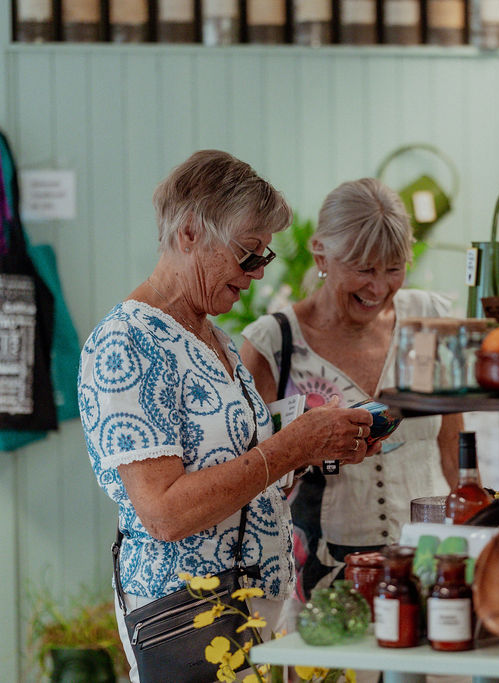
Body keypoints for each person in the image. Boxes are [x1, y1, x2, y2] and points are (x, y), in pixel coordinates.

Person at [78, 151, 380, 682]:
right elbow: (164, 513)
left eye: (265, 254)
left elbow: (241, 471)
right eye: (247, 254)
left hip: (247, 605)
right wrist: (291, 447)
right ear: (190, 232)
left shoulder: (214, 339)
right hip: (189, 616)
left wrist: (320, 445)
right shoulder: (126, 342)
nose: (260, 271)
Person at [241, 177, 463, 607]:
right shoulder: (274, 344)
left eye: (393, 268)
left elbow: (453, 452)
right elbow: (253, 474)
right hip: (320, 581)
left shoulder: (428, 322)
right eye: (363, 269)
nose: (378, 288)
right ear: (321, 253)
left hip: (431, 565)